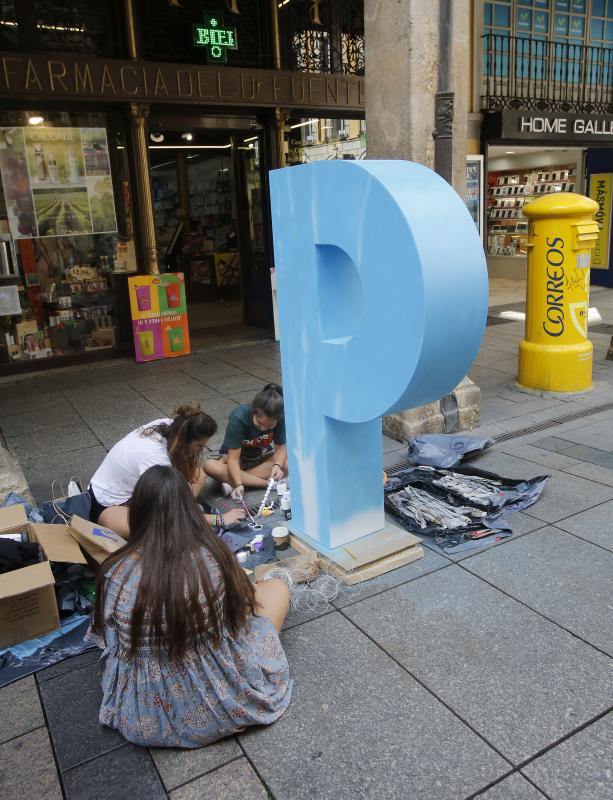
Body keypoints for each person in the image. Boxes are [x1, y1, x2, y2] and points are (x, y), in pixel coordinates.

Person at [90, 465, 292, 748]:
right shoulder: (212, 557)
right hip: (224, 698)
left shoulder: (114, 570)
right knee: (277, 589)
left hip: (142, 715)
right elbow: (241, 616)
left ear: (136, 512)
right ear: (189, 511)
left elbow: (109, 641)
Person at [89, 405, 245, 538]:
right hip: (109, 506)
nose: (201, 450)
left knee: (198, 475)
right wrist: (220, 519)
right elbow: (169, 511)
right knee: (164, 528)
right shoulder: (155, 458)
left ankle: (189, 511)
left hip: (135, 491)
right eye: (199, 446)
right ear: (184, 440)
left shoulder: (173, 425)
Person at [204, 383, 287, 501]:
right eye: (259, 423)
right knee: (210, 466)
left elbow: (280, 448)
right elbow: (233, 459)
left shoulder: (280, 418)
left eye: (270, 426)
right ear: (253, 411)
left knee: (288, 462)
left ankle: (231, 481)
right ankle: (267, 484)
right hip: (235, 461)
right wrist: (238, 483)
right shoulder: (239, 417)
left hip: (259, 459)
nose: (263, 428)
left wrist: (277, 465)